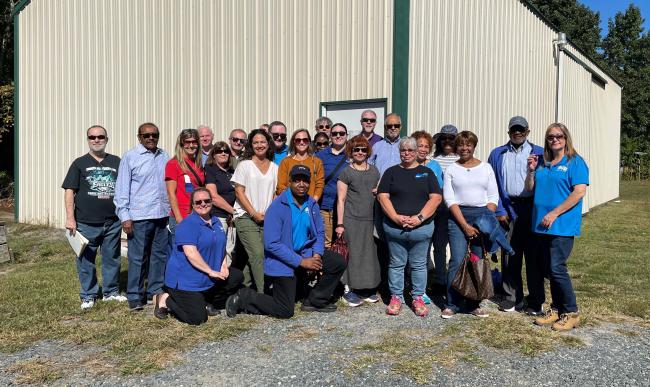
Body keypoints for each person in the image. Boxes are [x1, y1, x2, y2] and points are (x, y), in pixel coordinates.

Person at [225, 165, 347, 318]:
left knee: (337, 262)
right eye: (297, 180)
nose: (301, 184)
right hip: (282, 261)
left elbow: (320, 232)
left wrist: (316, 254)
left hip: (305, 252)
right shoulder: (277, 207)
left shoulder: (312, 204)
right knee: (284, 311)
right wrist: (301, 262)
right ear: (290, 181)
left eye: (305, 181)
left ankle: (315, 300)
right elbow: (272, 244)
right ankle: (244, 297)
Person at [525, 123, 588, 331]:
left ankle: (571, 312)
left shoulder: (575, 163)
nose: (555, 140)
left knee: (557, 268)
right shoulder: (543, 163)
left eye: (559, 136)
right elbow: (530, 189)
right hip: (540, 226)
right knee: (548, 269)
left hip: (561, 225)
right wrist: (531, 171)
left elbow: (578, 192)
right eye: (551, 137)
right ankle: (556, 308)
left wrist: (554, 213)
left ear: (566, 138)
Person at [155, 188, 244, 325]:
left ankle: (205, 300)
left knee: (235, 277)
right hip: (186, 280)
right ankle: (165, 299)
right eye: (198, 202)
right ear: (193, 205)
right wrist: (211, 271)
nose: (203, 204)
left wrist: (223, 266)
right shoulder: (187, 224)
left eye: (207, 201)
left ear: (211, 202)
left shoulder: (216, 221)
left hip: (205, 275)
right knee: (197, 318)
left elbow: (221, 247)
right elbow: (191, 254)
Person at [62, 125, 126, 309]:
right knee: (85, 259)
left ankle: (110, 292)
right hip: (85, 222)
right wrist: (70, 218)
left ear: (106, 139)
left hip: (113, 222)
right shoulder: (79, 163)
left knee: (112, 258)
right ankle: (88, 295)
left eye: (100, 137)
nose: (96, 140)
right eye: (92, 137)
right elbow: (69, 191)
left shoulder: (117, 162)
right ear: (88, 139)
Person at [378, 137, 442, 317]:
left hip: (421, 228)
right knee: (396, 263)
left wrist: (419, 218)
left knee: (419, 264)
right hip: (395, 227)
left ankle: (418, 297)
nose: (406, 153)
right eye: (403, 150)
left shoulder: (427, 172)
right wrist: (396, 218)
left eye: (410, 150)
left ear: (417, 152)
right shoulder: (391, 172)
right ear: (399, 152)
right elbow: (383, 196)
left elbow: (436, 198)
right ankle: (396, 297)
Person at [487, 116, 544, 313]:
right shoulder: (497, 154)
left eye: (521, 129)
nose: (517, 133)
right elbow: (492, 183)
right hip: (508, 208)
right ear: (508, 132)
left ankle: (536, 300)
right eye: (513, 130)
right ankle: (511, 298)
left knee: (534, 256)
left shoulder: (539, 153)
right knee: (510, 255)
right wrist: (500, 210)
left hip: (532, 208)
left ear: (528, 131)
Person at [442, 131, 499, 319]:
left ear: (474, 146)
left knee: (476, 260)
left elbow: (492, 197)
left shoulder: (486, 168)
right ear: (456, 147)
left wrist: (485, 220)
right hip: (458, 216)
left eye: (468, 145)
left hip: (481, 215)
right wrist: (465, 225)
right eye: (461, 145)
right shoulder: (452, 169)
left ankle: (474, 302)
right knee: (457, 260)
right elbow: (450, 199)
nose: (464, 148)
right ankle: (452, 303)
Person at [114, 122, 170, 310]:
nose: (151, 138)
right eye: (146, 135)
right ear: (139, 137)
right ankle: (135, 295)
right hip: (139, 216)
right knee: (137, 257)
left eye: (154, 135)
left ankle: (154, 292)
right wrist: (125, 216)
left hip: (162, 215)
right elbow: (122, 189)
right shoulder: (130, 157)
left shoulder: (164, 156)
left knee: (159, 256)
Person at [336, 135, 381, 307]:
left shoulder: (375, 171)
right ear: (351, 151)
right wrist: (340, 224)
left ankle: (366, 288)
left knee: (369, 254)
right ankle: (348, 290)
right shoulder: (346, 172)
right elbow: (341, 199)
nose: (360, 153)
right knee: (352, 254)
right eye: (356, 149)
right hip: (351, 220)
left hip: (370, 219)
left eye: (363, 149)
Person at [231, 129, 278, 293]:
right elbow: (239, 192)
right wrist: (253, 213)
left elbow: (275, 193)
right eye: (256, 142)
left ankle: (243, 291)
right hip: (245, 216)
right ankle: (263, 294)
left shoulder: (275, 167)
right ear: (251, 145)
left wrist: (268, 213)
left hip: (266, 217)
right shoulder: (245, 165)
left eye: (263, 142)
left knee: (256, 254)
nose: (259, 145)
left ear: (268, 144)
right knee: (257, 254)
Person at [412, 130, 444, 302]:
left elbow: (438, 191)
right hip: (412, 215)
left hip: (432, 215)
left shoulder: (435, 166)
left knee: (432, 249)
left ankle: (433, 283)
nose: (423, 149)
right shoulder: (407, 165)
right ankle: (414, 286)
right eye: (419, 145)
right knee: (416, 253)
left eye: (426, 146)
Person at [431, 124, 459, 295]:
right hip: (440, 209)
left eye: (451, 138)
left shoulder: (461, 159)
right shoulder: (434, 160)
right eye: (444, 138)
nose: (447, 141)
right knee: (439, 245)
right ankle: (440, 279)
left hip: (457, 207)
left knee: (458, 246)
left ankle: (456, 279)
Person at [165, 129, 205, 248]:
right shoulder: (173, 164)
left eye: (194, 142)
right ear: (181, 143)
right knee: (181, 254)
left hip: (197, 215)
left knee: (196, 253)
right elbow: (171, 194)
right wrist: (179, 219)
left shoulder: (198, 164)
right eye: (187, 142)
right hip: (181, 216)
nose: (191, 145)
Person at [315, 123, 348, 247]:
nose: (338, 136)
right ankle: (327, 266)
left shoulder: (353, 154)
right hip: (326, 207)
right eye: (335, 133)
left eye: (342, 133)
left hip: (347, 209)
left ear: (346, 135)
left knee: (344, 243)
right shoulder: (320, 156)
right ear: (330, 136)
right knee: (326, 243)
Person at [205, 141, 237, 265]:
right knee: (218, 249)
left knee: (229, 249)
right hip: (218, 216)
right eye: (219, 151)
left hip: (231, 218)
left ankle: (225, 278)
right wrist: (233, 211)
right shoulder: (210, 169)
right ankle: (215, 279)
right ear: (213, 155)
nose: (223, 153)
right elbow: (213, 196)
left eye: (226, 151)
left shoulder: (232, 171)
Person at [276, 129, 325, 201]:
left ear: (309, 142)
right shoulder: (286, 162)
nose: (301, 142)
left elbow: (320, 185)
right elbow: (281, 186)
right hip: (290, 205)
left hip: (310, 205)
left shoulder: (316, 162)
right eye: (298, 140)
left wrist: (312, 202)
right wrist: (292, 203)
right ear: (294, 142)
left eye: (305, 140)